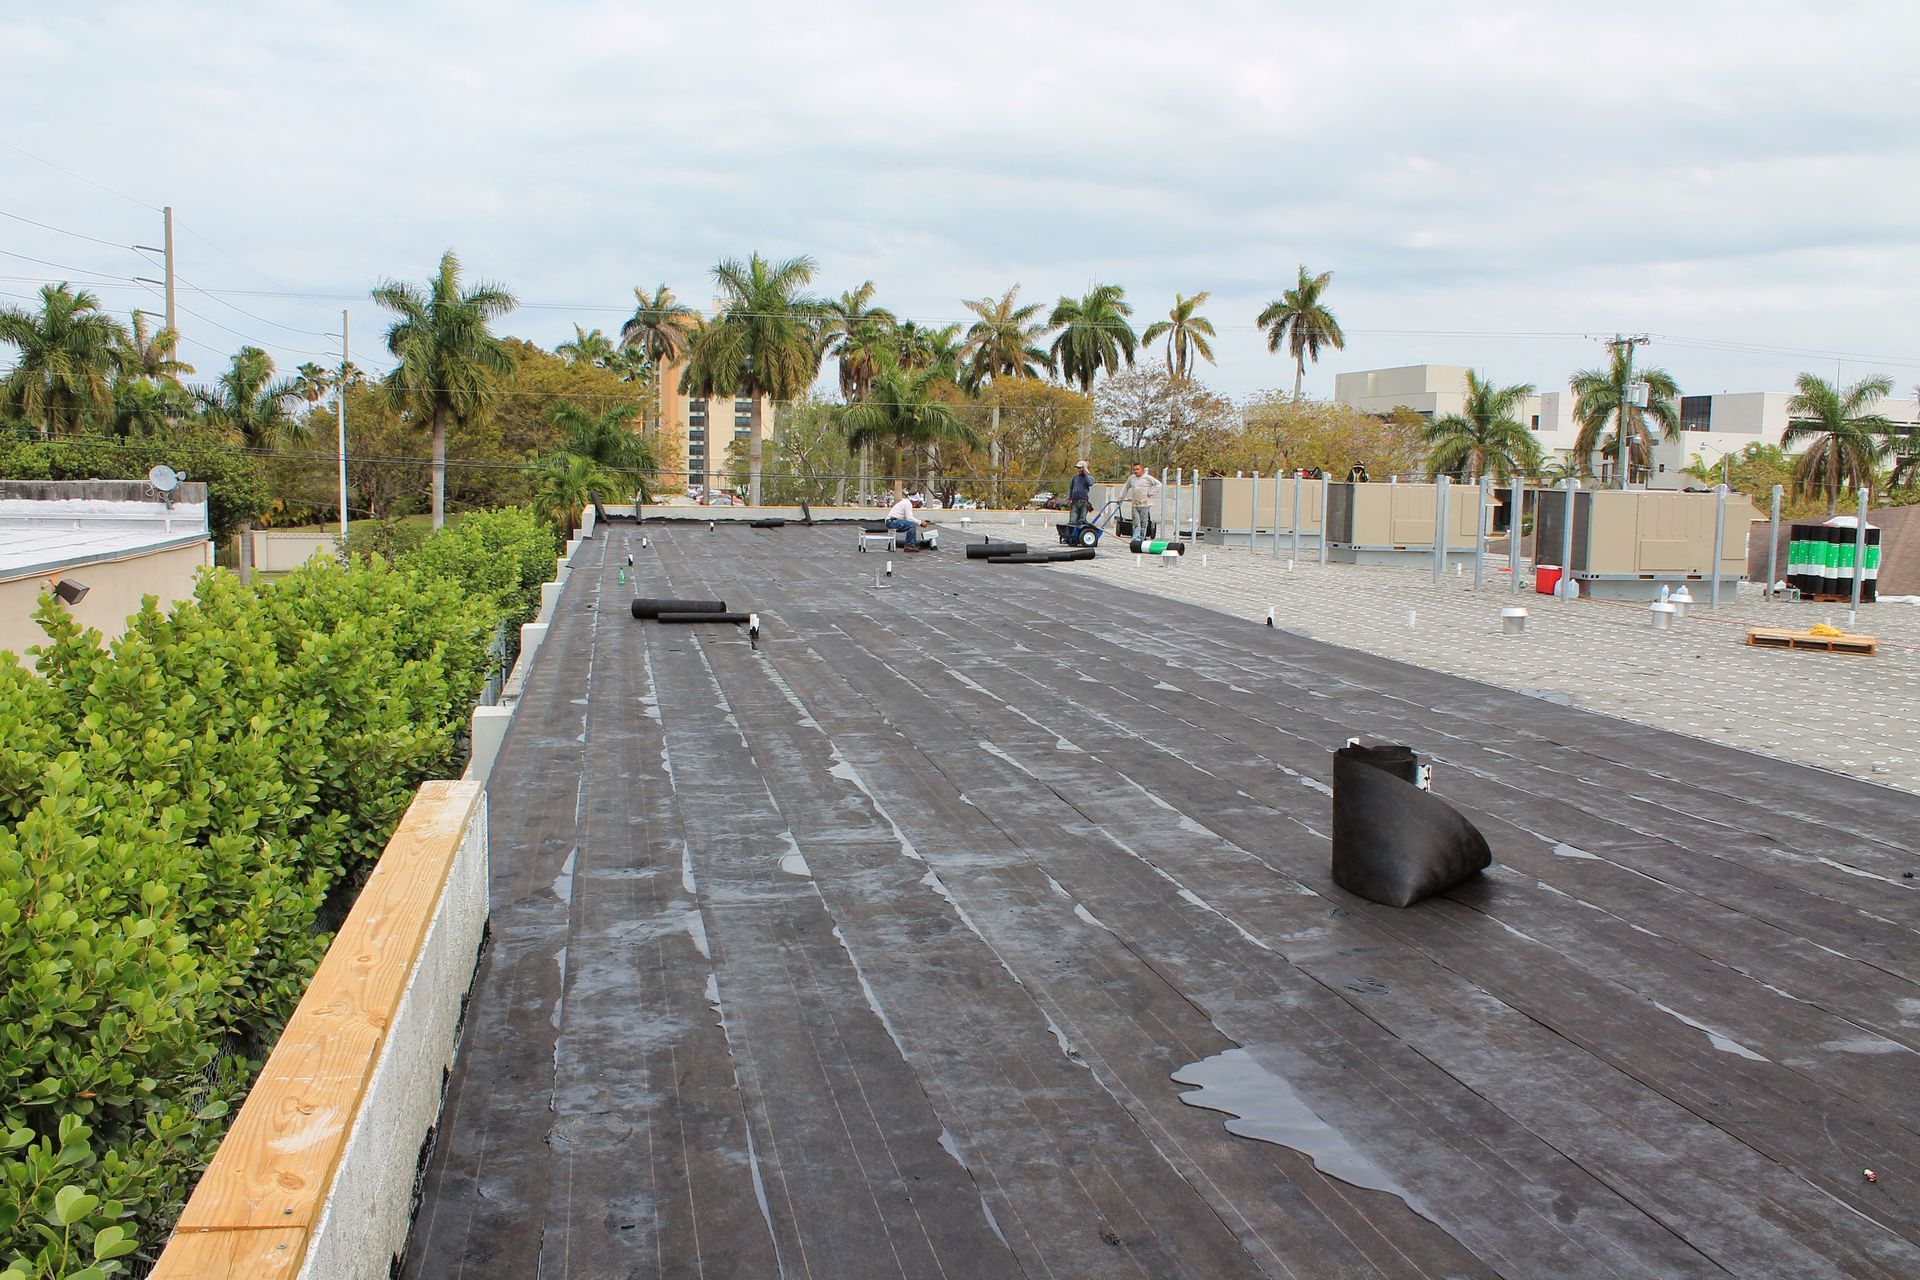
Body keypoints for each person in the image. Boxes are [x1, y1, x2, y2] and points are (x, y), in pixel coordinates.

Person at [1117, 463, 1161, 539]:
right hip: (1135, 504)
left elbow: (1159, 485)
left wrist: (1150, 493)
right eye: (1134, 470)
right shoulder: (1131, 478)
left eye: (1137, 469)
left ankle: (1141, 538)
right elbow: (1125, 488)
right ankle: (1135, 538)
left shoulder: (1147, 478)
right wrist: (1120, 498)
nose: (1136, 471)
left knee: (1144, 523)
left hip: (1144, 504)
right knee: (1136, 523)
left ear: (1142, 470)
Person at [1068, 460, 1094, 525]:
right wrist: (1069, 498)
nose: (1078, 470)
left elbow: (1090, 483)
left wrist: (1085, 474)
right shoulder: (1075, 477)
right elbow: (1071, 488)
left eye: (1080, 468)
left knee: (1082, 521)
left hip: (1084, 503)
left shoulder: (1088, 478)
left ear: (1084, 468)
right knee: (1072, 522)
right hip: (1074, 503)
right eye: (1078, 468)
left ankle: (1081, 534)